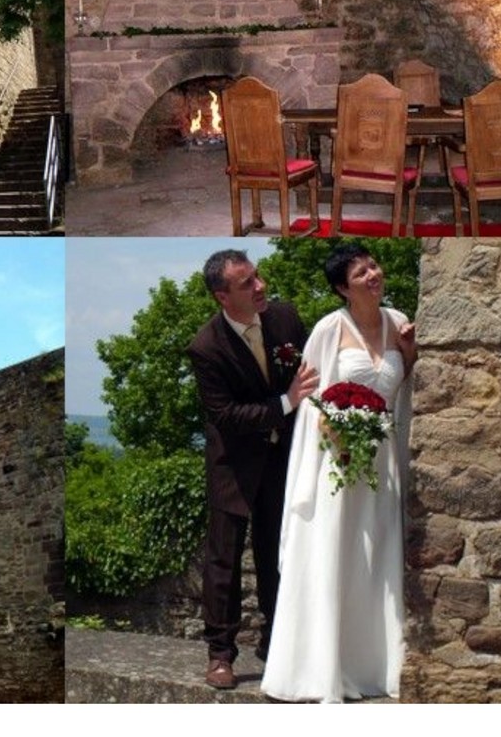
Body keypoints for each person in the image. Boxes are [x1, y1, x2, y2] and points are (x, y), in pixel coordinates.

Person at [261, 243, 417, 704]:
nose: (373, 274)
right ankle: (324, 666)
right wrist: (340, 439)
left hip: (383, 457)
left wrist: (408, 355)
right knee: (336, 551)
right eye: (360, 272)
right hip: (339, 459)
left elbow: (402, 388)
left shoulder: (397, 319)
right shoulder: (329, 329)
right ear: (341, 289)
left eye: (373, 266)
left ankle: (372, 665)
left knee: (378, 557)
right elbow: (310, 397)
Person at [187, 249, 319, 690]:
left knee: (277, 555)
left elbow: (308, 375)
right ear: (223, 297)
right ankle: (220, 654)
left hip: (283, 459)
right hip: (234, 464)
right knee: (223, 561)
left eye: (258, 276)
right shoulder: (206, 347)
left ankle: (276, 641)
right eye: (247, 283)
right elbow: (226, 415)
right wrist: (285, 403)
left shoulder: (284, 318)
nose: (261, 286)